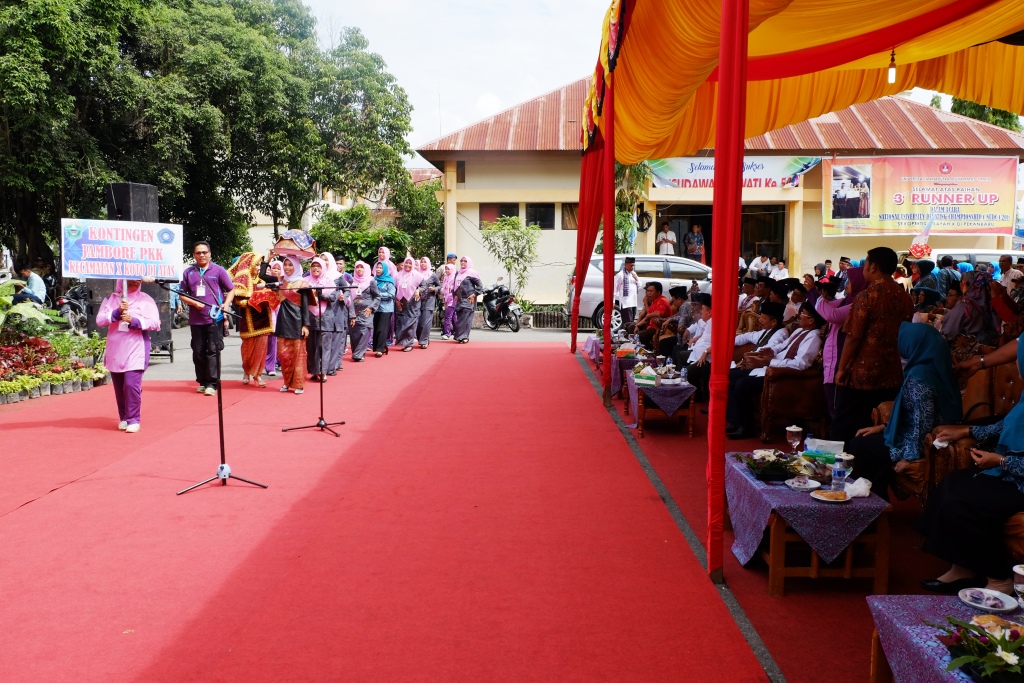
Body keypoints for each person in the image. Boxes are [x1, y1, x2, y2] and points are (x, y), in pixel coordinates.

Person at [917, 333, 1024, 595]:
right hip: (1011, 472)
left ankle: (999, 577)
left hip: (1019, 479)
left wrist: (999, 460)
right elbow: (1005, 425)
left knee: (965, 502)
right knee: (954, 483)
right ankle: (963, 567)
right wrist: (964, 432)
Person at [846, 322, 962, 501]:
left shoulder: (919, 376)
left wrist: (909, 458)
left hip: (920, 444)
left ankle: (868, 506)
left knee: (859, 447)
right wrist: (883, 428)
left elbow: (921, 423)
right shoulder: (937, 366)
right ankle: (876, 500)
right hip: (926, 437)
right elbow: (916, 414)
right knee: (865, 442)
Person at [832, 247, 914, 442]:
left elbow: (853, 336)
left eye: (866, 265)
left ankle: (842, 466)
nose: (864, 269)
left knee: (847, 424)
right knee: (879, 424)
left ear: (873, 267)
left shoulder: (866, 297)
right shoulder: (904, 297)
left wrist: (842, 368)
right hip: (891, 372)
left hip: (862, 373)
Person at [726, 303, 825, 439]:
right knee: (731, 376)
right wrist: (770, 351)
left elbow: (800, 364)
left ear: (811, 320)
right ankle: (736, 421)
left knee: (743, 385)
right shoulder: (799, 331)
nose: (799, 316)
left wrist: (770, 362)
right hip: (770, 368)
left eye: (802, 314)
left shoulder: (813, 337)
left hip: (783, 376)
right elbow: (783, 345)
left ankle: (747, 427)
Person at [95, 279, 160, 433]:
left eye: (137, 280)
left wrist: (135, 321)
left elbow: (155, 323)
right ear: (120, 281)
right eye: (129, 280)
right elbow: (100, 320)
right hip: (116, 348)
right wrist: (116, 312)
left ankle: (133, 419)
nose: (134, 282)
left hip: (136, 347)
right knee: (119, 387)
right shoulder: (110, 300)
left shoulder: (146, 299)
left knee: (131, 385)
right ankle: (124, 417)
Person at [179, 242, 235, 396]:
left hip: (214, 318)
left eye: (204, 252)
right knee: (198, 351)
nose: (202, 255)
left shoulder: (218, 270)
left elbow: (231, 289)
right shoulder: (189, 272)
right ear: (193, 255)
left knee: (212, 350)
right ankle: (202, 381)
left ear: (210, 253)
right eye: (198, 253)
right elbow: (182, 294)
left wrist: (227, 304)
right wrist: (193, 303)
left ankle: (212, 383)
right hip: (196, 320)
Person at [815, 269, 866, 419]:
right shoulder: (847, 301)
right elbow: (829, 306)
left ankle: (838, 439)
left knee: (838, 406)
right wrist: (814, 294)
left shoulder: (856, 304)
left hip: (840, 358)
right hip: (833, 357)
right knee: (832, 403)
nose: (846, 285)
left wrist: (812, 291)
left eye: (850, 281)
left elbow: (832, 314)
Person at [229, 253, 274, 388]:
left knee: (261, 350)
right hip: (248, 320)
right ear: (249, 265)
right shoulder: (241, 282)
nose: (258, 267)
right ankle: (246, 372)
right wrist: (250, 302)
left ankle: (258, 375)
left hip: (263, 319)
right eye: (257, 265)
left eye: (260, 265)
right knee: (248, 350)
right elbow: (237, 301)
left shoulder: (262, 282)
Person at [270, 255, 310, 394]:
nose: (287, 267)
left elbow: (305, 306)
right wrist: (268, 259)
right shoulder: (282, 281)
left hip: (297, 322)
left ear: (297, 266)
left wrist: (306, 325)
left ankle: (298, 384)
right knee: (284, 355)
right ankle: (287, 382)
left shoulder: (302, 283)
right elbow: (264, 276)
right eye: (285, 264)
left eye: (290, 265)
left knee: (298, 355)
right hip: (282, 321)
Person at [940, 270, 1000, 345]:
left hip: (963, 348)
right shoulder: (992, 303)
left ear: (971, 284)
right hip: (984, 347)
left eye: (963, 283)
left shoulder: (965, 304)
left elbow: (949, 331)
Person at [304, 257, 337, 382]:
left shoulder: (329, 281)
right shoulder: (305, 281)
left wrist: (320, 294)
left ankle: (323, 372)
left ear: (323, 268)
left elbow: (333, 297)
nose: (316, 268)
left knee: (324, 346)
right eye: (313, 266)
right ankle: (314, 371)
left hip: (325, 318)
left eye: (319, 266)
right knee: (311, 347)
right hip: (310, 318)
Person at [348, 262, 379, 362]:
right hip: (354, 310)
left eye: (362, 268)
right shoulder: (351, 281)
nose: (359, 269)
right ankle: (356, 352)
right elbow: (349, 297)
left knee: (364, 331)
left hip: (367, 311)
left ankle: (359, 354)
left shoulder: (371, 281)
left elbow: (377, 296)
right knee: (355, 332)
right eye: (357, 267)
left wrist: (371, 308)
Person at [685, 294, 714, 402]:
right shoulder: (709, 322)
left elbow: (717, 343)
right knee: (681, 357)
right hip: (697, 355)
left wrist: (706, 351)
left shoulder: (715, 323)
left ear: (709, 312)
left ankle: (693, 398)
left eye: (702, 309)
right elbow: (704, 337)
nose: (701, 312)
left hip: (707, 359)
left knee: (687, 371)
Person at [393, 256, 423, 352]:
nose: (408, 265)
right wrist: (396, 299)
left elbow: (424, 286)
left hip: (413, 302)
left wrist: (419, 290)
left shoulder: (418, 275)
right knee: (402, 322)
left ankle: (409, 343)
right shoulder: (398, 275)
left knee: (411, 322)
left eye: (410, 263)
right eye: (406, 263)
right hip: (400, 302)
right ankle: (403, 342)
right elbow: (394, 288)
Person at [452, 256, 483, 344]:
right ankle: (460, 336)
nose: (462, 263)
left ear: (468, 262)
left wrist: (474, 294)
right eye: (461, 261)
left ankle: (464, 337)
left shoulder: (472, 273)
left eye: (465, 261)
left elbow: (480, 286)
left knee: (466, 319)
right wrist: (455, 295)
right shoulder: (458, 273)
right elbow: (455, 285)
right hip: (459, 300)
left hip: (469, 299)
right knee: (460, 318)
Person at [372, 262, 396, 357]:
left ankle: (380, 350)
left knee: (382, 329)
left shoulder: (389, 281)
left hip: (386, 308)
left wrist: (378, 295)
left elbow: (391, 295)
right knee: (376, 328)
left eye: (380, 268)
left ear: (385, 270)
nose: (378, 269)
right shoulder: (374, 280)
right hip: (375, 308)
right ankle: (383, 346)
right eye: (377, 267)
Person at [264, 260, 284, 377]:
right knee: (272, 338)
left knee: (282, 338)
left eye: (278, 268)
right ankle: (270, 366)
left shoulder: (286, 281)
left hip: (283, 310)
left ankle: (281, 361)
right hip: (271, 310)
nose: (276, 270)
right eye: (274, 268)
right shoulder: (267, 281)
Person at [417, 257, 441, 349]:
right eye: (421, 262)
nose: (423, 264)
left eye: (425, 262)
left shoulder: (432, 275)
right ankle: (423, 339)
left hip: (429, 300)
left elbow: (439, 286)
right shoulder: (417, 274)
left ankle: (424, 341)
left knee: (425, 322)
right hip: (418, 300)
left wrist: (434, 289)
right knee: (418, 323)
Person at [614, 257, 641, 326]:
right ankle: (626, 335)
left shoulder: (633, 274)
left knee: (632, 322)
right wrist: (613, 301)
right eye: (630, 265)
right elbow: (614, 289)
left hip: (633, 302)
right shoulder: (620, 275)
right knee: (627, 322)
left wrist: (636, 279)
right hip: (625, 302)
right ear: (625, 265)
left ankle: (629, 335)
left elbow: (640, 285)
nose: (632, 267)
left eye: (633, 265)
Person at [439, 261, 458, 340]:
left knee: (448, 316)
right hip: (447, 299)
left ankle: (447, 333)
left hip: (452, 299)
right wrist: (444, 299)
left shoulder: (454, 278)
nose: (447, 271)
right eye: (446, 269)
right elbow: (444, 290)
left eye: (448, 269)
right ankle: (457, 332)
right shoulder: (446, 278)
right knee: (453, 317)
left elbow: (456, 289)